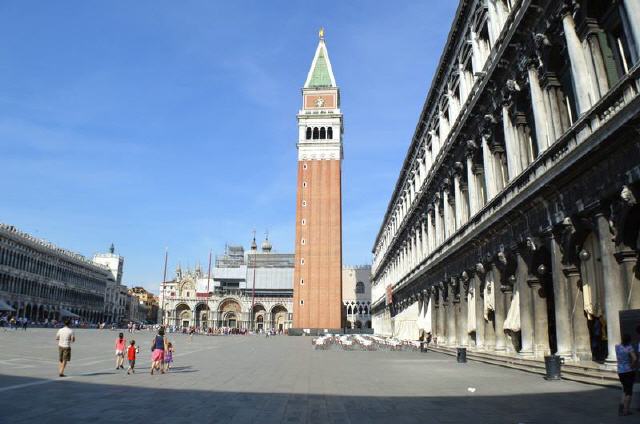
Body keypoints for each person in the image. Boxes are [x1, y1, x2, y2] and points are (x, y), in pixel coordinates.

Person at [616, 333, 637, 416]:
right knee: (629, 392)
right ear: (629, 340)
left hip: (620, 371)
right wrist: (631, 366)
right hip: (628, 371)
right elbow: (634, 358)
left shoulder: (617, 347)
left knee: (624, 389)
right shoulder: (629, 347)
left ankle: (621, 407)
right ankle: (626, 410)